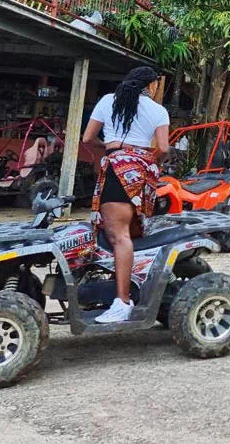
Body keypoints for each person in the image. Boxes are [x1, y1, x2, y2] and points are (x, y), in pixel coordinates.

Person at [82, 66, 169, 323]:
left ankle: (122, 302)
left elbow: (88, 138)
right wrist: (149, 160)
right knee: (130, 232)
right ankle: (124, 288)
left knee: (117, 236)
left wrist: (112, 148)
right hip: (142, 170)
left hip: (116, 168)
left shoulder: (108, 101)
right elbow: (163, 148)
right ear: (151, 85)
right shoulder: (158, 110)